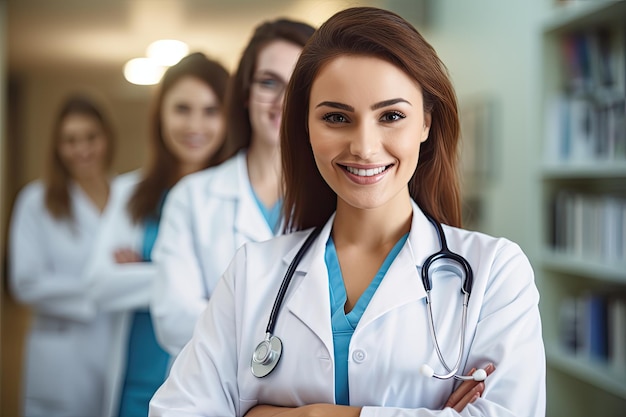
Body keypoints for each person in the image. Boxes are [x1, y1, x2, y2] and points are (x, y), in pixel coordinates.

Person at [150, 6, 547, 417]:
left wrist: (308, 415)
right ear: (305, 125)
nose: (364, 146)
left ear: (426, 123)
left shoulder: (495, 273)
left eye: (391, 116)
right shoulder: (251, 272)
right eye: (336, 117)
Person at [150, 18, 316, 357]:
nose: (282, 100)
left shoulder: (334, 198)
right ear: (245, 93)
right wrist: (287, 337)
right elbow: (174, 320)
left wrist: (222, 316)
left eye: (297, 84)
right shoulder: (192, 197)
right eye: (269, 82)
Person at [84, 52, 229, 417]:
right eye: (182, 108)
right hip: (137, 378)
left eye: (211, 110)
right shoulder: (129, 192)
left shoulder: (237, 196)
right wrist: (191, 279)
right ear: (160, 114)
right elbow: (98, 284)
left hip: (209, 380)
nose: (195, 124)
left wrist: (145, 269)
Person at [8, 94, 116, 417]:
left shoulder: (124, 196)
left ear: (106, 139)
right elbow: (24, 283)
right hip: (62, 352)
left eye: (90, 137)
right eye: (70, 140)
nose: (82, 149)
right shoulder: (36, 201)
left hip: (114, 342)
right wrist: (100, 288)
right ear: (57, 146)